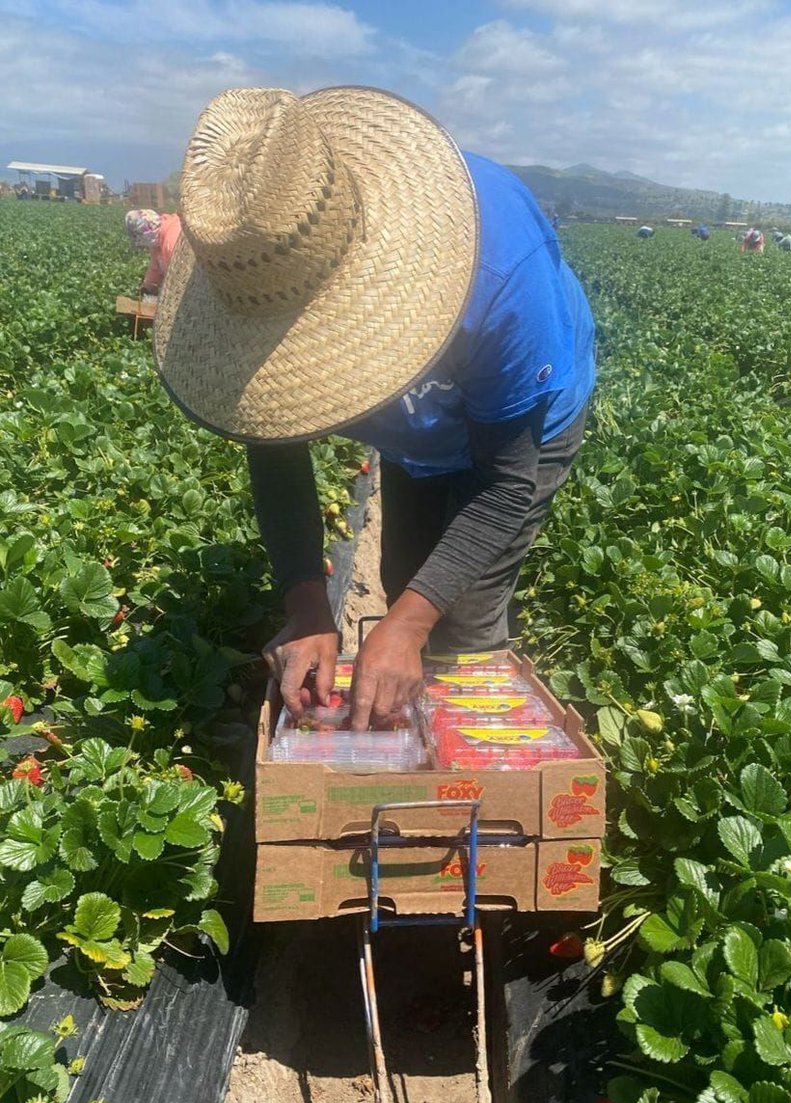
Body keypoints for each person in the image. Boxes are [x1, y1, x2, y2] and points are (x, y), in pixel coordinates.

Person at [152, 87, 596, 729]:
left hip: (519, 420)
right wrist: (307, 605)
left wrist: (413, 626)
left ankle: (460, 796)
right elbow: (275, 458)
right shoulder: (255, 269)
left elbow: (504, 485)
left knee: (461, 619)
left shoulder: (500, 273)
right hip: (417, 434)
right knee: (404, 575)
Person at [124, 208, 182, 295]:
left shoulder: (171, 242)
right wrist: (147, 287)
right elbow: (156, 267)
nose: (143, 247)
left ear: (146, 233)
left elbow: (181, 277)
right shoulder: (158, 239)